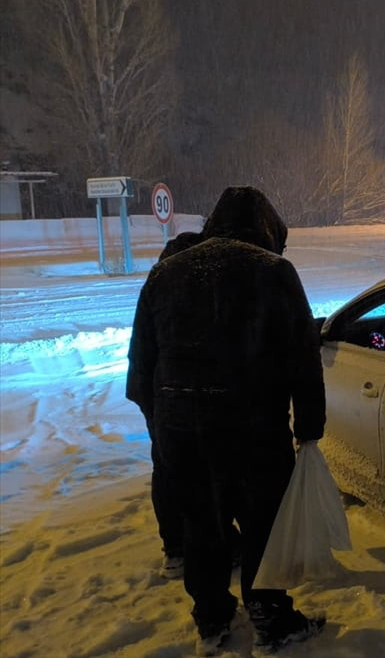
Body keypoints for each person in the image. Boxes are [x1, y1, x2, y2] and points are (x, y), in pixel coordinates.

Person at [126, 186, 326, 655]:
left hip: (182, 432)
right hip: (252, 428)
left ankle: (212, 618)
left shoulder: (166, 272)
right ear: (267, 229)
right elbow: (303, 357)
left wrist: (163, 428)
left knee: (201, 523)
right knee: (261, 524)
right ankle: (270, 618)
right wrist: (309, 429)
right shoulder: (274, 272)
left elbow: (141, 363)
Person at [145, 229, 242, 581]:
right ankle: (196, 548)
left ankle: (177, 550)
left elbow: (140, 357)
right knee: (195, 480)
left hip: (161, 400)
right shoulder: (194, 297)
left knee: (169, 473)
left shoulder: (160, 289)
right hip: (175, 402)